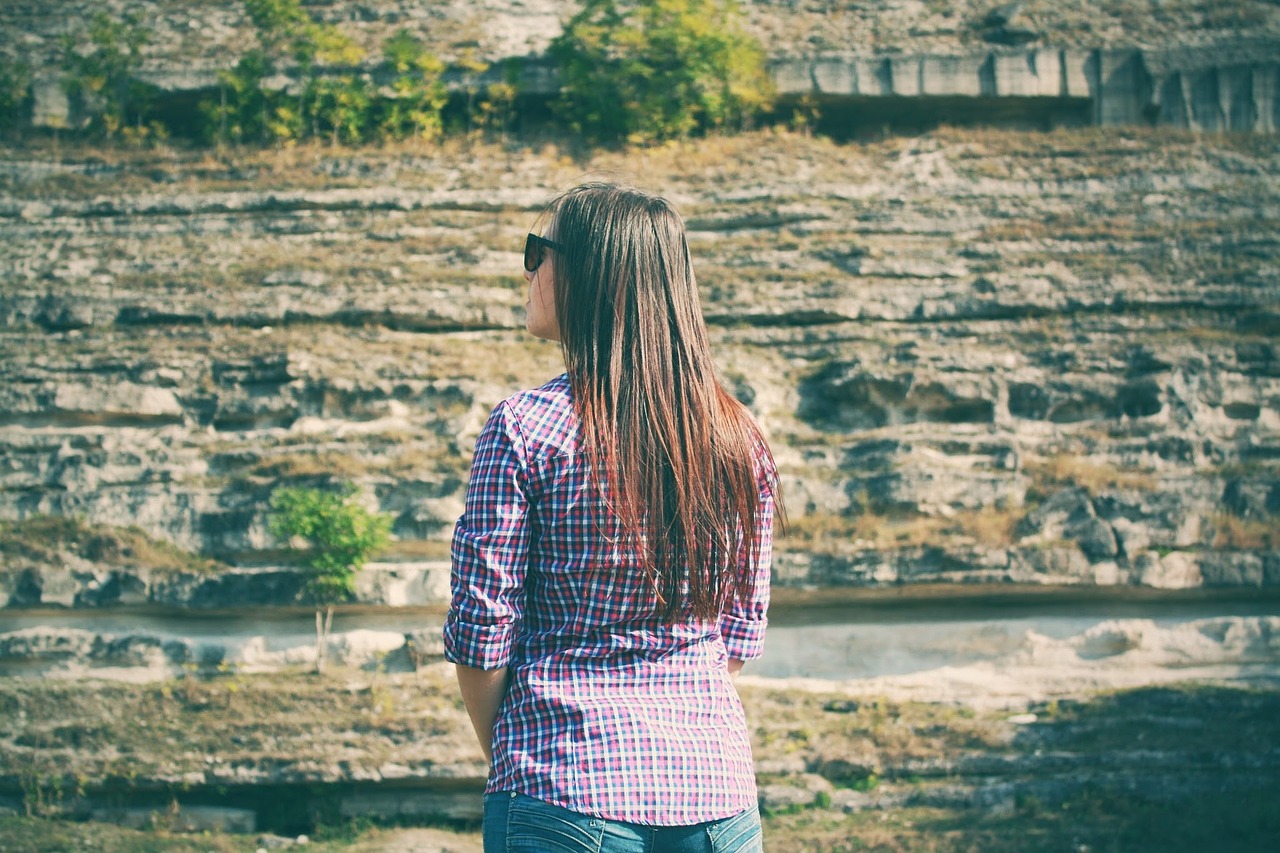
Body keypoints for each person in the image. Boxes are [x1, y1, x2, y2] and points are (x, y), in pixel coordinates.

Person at [443, 182, 780, 853]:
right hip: (714, 795)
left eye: (539, 252)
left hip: (563, 785)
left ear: (593, 273)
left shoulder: (525, 428)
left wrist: (520, 758)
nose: (529, 270)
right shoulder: (738, 436)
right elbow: (736, 637)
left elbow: (482, 640)